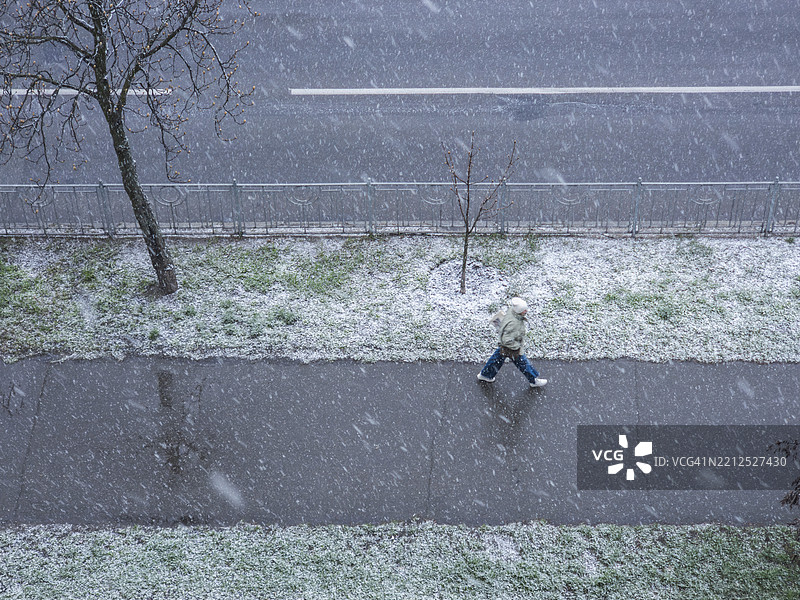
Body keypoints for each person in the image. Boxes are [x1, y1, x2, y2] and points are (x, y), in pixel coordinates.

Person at [477, 297, 547, 388]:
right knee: (523, 363)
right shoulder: (514, 323)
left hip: (504, 346)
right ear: (520, 311)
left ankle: (486, 375)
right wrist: (516, 347)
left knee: (496, 359)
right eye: (524, 310)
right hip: (511, 347)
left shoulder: (512, 312)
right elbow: (507, 340)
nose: (526, 311)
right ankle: (533, 380)